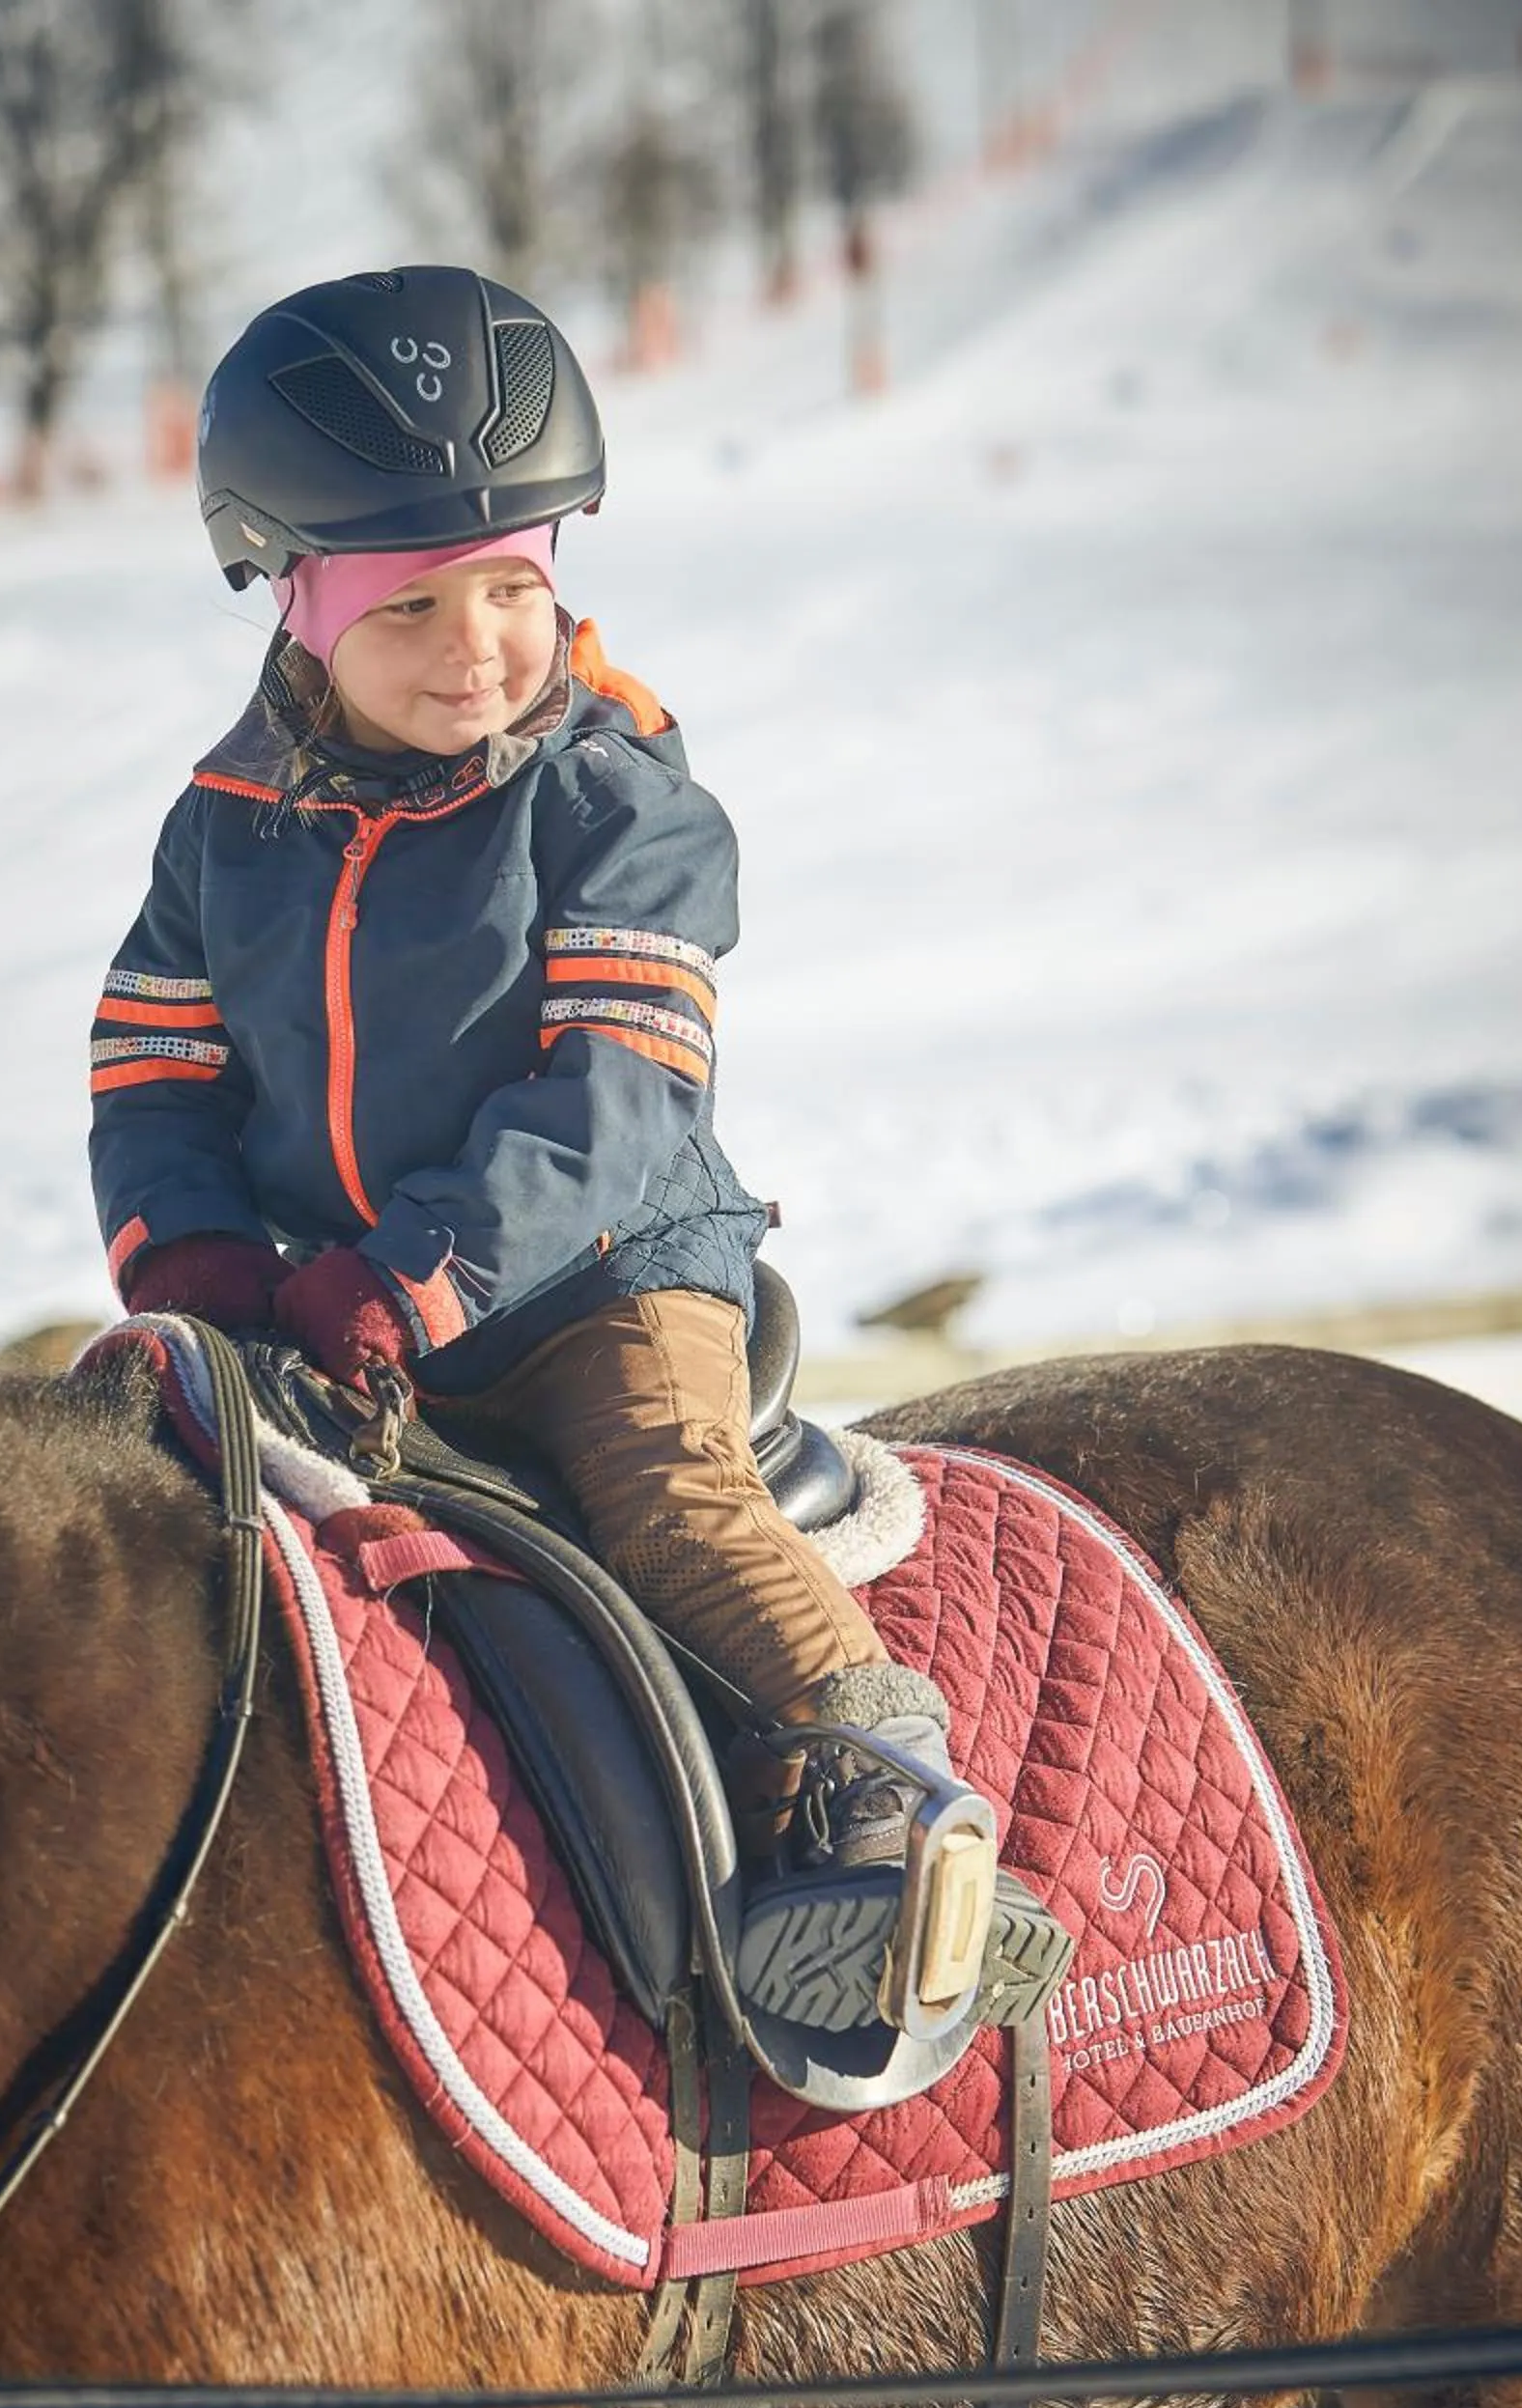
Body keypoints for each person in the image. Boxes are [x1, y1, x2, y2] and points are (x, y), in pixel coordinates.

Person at [91, 266, 974, 2039]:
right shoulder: (224, 825)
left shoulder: (610, 794)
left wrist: (416, 1275)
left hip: (594, 1276)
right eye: (413, 607)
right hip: (323, 1298)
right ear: (298, 605)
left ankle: (890, 1796)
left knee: (661, 1482)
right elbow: (156, 1066)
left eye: (512, 589)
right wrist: (188, 1263)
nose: (476, 649)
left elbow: (617, 1093)